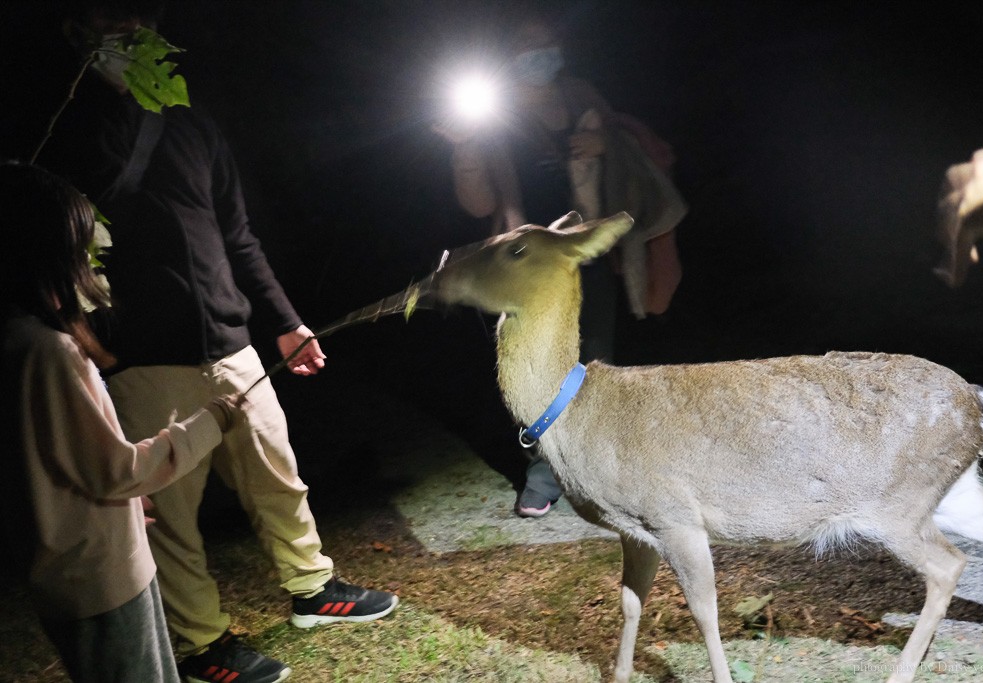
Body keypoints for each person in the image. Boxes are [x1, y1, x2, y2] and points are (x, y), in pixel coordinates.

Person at [39, 2, 398, 681]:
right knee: (173, 514)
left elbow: (238, 235)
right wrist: (105, 92)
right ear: (81, 40)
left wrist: (286, 321)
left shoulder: (193, 121)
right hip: (145, 357)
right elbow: (81, 219)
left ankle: (312, 589)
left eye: (136, 29)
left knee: (277, 474)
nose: (128, 40)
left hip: (234, 345)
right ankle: (206, 643)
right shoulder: (74, 131)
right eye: (110, 31)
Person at [436, 15, 686, 517]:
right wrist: (463, 146)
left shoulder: (579, 93)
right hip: (524, 267)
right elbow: (478, 202)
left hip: (581, 253)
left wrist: (604, 145)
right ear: (508, 54)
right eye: (529, 43)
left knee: (594, 360)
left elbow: (626, 151)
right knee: (534, 367)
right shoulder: (496, 112)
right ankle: (544, 471)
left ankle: (599, 467)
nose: (542, 51)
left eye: (549, 41)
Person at [0, 161, 241, 682]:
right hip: (98, 578)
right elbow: (116, 470)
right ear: (44, 254)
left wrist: (122, 507)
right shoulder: (49, 351)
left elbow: (58, 464)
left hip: (71, 568)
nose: (90, 260)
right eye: (80, 248)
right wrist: (212, 420)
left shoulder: (16, 340)